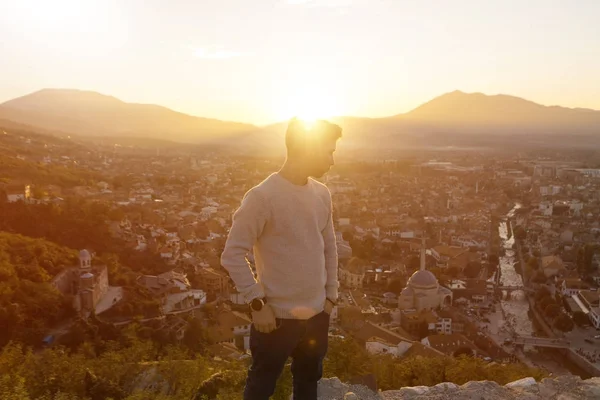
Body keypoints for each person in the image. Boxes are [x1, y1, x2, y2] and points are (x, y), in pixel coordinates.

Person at [221, 118, 342, 400]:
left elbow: (329, 248)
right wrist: (257, 302)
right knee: (261, 386)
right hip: (274, 319)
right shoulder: (262, 197)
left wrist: (330, 298)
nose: (333, 161)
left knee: (308, 383)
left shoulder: (322, 195)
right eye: (328, 151)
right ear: (307, 149)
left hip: (317, 315)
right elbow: (232, 254)